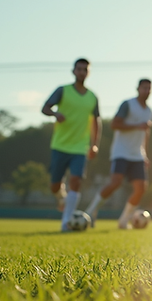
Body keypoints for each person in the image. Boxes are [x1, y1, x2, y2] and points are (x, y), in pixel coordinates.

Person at [41, 58, 101, 232]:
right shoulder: (63, 91)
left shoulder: (92, 97)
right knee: (55, 185)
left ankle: (66, 221)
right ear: (73, 71)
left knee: (76, 180)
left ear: (88, 73)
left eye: (85, 69)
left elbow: (97, 122)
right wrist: (55, 113)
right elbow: (44, 108)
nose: (82, 72)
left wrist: (94, 144)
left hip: (79, 148)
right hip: (60, 146)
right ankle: (61, 198)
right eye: (79, 69)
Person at [92, 79, 152, 229]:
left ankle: (124, 220)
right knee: (116, 182)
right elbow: (115, 124)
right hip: (121, 151)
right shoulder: (127, 104)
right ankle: (92, 210)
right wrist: (136, 126)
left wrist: (144, 154)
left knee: (141, 188)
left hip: (137, 154)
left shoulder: (149, 111)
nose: (146, 91)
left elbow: (145, 133)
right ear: (138, 89)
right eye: (144, 88)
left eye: (149, 89)